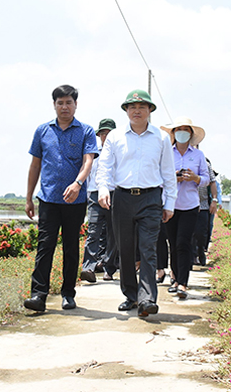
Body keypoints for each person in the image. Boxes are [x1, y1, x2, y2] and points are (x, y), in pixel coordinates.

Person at [96, 89, 176, 317]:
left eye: (142, 107)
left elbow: (168, 172)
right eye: (132, 107)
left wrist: (169, 202)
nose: (137, 111)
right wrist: (103, 189)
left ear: (150, 110)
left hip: (151, 198)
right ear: (126, 111)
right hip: (122, 198)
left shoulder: (161, 138)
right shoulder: (115, 136)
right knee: (126, 250)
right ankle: (131, 295)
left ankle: (147, 298)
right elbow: (105, 166)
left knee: (148, 249)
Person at [24, 85, 98, 312]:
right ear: (54, 105)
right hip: (48, 199)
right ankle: (38, 295)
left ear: (76, 104)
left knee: (70, 247)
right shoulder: (42, 131)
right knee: (44, 246)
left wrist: (78, 184)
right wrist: (28, 197)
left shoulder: (85, 131)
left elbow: (88, 161)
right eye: (60, 103)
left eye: (68, 102)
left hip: (74, 201)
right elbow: (35, 164)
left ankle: (68, 293)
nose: (64, 107)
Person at [160, 117, 209, 299]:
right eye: (178, 129)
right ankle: (174, 278)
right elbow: (159, 177)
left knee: (183, 242)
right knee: (172, 242)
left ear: (190, 134)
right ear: (173, 134)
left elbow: (206, 179)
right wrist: (174, 177)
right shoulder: (166, 153)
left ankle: (183, 282)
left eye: (185, 129)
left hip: (189, 205)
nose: (181, 132)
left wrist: (194, 178)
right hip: (170, 204)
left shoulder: (198, 155)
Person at [81, 118, 118, 282]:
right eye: (102, 133)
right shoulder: (93, 152)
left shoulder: (120, 153)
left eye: (108, 132)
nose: (105, 135)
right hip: (95, 195)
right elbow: (87, 173)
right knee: (93, 231)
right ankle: (88, 267)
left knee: (112, 233)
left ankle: (108, 268)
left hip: (114, 194)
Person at [192, 156, 218, 266]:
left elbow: (213, 182)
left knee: (201, 233)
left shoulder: (206, 165)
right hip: (188, 204)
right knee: (190, 234)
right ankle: (192, 257)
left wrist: (214, 200)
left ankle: (200, 253)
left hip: (203, 206)